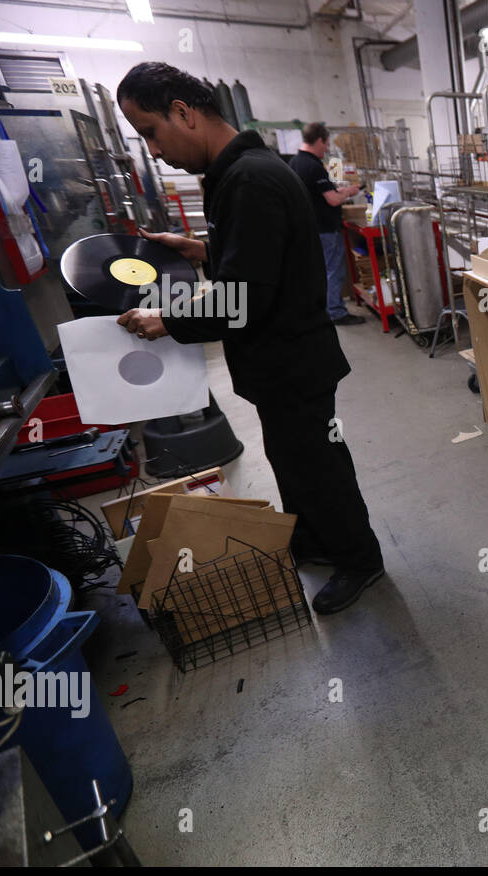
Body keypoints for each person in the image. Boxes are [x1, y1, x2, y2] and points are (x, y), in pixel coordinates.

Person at [113, 62, 385, 615]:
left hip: (294, 361)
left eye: (150, 130)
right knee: (291, 459)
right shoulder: (240, 173)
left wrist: (168, 320)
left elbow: (247, 296)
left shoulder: (250, 179)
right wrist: (202, 251)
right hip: (277, 361)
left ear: (184, 113)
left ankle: (360, 560)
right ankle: (313, 541)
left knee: (319, 465)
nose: (155, 149)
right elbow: (263, 259)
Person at [289, 121, 362, 326]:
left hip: (310, 228)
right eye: (327, 144)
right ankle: (336, 312)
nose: (327, 149)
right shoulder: (313, 166)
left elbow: (319, 195)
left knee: (321, 271)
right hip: (326, 229)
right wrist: (349, 191)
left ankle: (326, 308)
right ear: (319, 141)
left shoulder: (295, 162)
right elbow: (333, 200)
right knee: (333, 271)